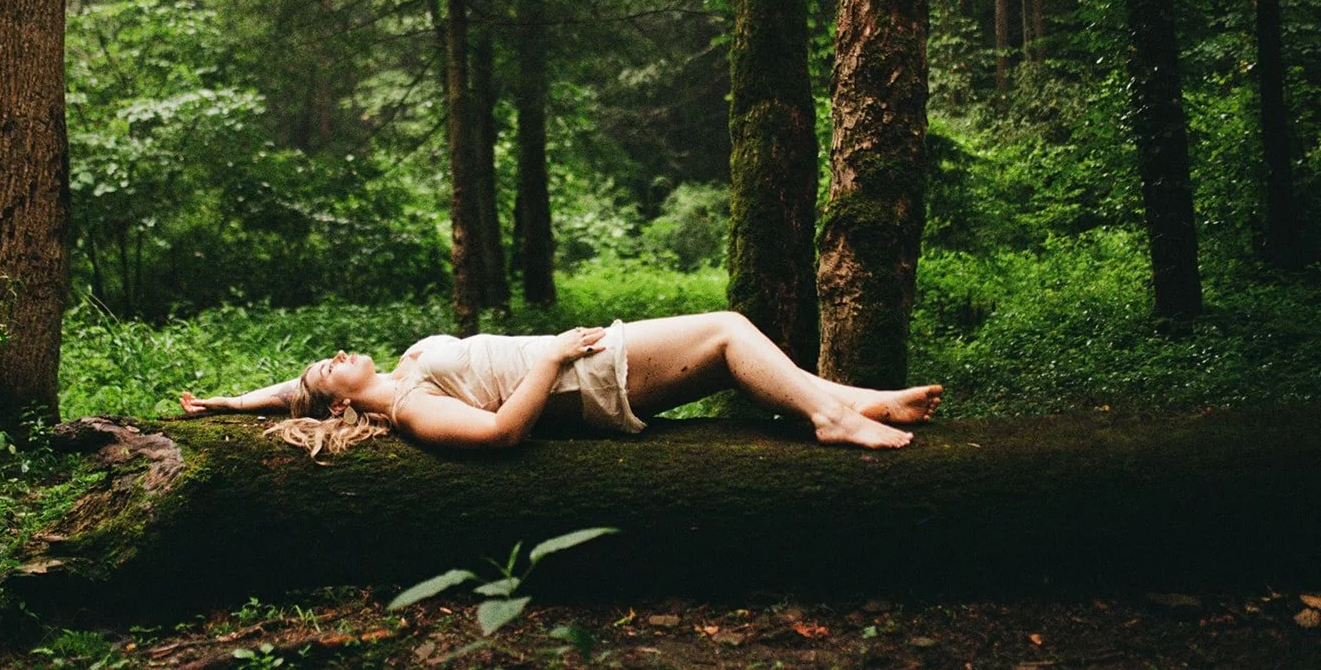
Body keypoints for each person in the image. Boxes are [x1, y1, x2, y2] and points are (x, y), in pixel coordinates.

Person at [179, 311, 942, 457]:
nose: (338, 354)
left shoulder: (407, 367)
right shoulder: (413, 409)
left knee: (727, 338)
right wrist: (549, 357)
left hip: (584, 359)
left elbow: (290, 390)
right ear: (341, 399)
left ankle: (855, 398)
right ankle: (837, 416)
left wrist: (229, 402)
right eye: (329, 366)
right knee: (729, 329)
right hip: (586, 378)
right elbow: (502, 433)